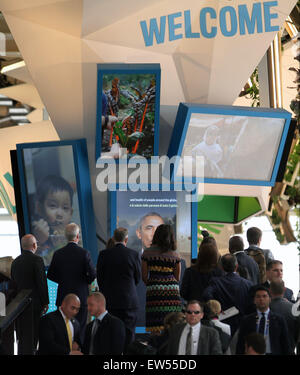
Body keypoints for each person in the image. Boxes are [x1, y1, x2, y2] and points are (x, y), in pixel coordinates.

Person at [47, 223, 96, 341]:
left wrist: (63, 280)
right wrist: (86, 281)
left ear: (66, 237)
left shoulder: (58, 254)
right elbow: (93, 275)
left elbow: (50, 275)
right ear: (77, 237)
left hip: (63, 298)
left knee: (63, 331)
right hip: (81, 298)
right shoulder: (84, 253)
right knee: (80, 332)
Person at [97, 227, 141, 350]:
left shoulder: (104, 254)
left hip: (109, 302)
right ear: (126, 239)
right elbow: (137, 278)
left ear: (114, 239)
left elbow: (100, 278)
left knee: (110, 335)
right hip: (129, 301)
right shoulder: (133, 254)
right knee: (129, 335)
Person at [11, 234, 49, 351]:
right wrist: (46, 302)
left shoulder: (15, 262)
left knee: (22, 337)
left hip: (20, 307)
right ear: (34, 245)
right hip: (35, 306)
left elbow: (13, 284)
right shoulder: (37, 260)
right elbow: (41, 283)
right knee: (33, 337)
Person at [142, 224, 182, 334]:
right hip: (172, 292)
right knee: (173, 324)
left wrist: (153, 284)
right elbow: (177, 277)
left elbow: (144, 276)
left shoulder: (147, 252)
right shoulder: (175, 254)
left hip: (154, 290)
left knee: (155, 324)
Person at [202, 253, 253, 336]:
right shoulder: (248, 284)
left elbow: (206, 294)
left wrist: (216, 309)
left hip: (222, 321)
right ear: (236, 267)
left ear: (221, 267)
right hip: (241, 324)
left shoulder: (216, 282)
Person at [31, 175, 75, 267]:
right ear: (39, 208)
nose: (59, 214)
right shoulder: (35, 234)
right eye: (53, 206)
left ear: (71, 213)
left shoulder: (76, 237)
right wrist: (38, 242)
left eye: (65, 208)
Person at [236, 286, 293, 355]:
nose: (261, 299)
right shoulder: (247, 320)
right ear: (254, 300)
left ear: (270, 299)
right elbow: (240, 344)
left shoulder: (279, 320)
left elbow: (286, 344)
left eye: (264, 296)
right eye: (258, 296)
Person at [270, 280, 299, 352]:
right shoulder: (293, 308)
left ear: (270, 290)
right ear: (284, 290)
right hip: (289, 348)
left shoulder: (266, 308)